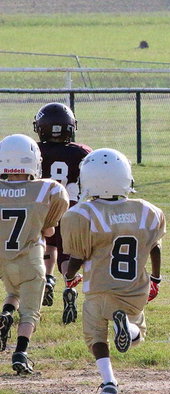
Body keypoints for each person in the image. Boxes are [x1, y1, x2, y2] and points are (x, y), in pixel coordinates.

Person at [61, 148, 165, 394]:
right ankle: (127, 326)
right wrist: (156, 278)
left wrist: (69, 276)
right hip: (134, 288)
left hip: (99, 288)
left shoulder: (81, 214)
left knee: (95, 336)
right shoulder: (147, 211)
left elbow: (77, 256)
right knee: (137, 335)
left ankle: (109, 382)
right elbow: (155, 247)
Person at [0, 134, 69, 374]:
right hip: (31, 257)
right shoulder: (48, 189)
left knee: (12, 292)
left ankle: (6, 313)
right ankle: (21, 352)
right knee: (30, 311)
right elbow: (49, 228)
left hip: (3, 258)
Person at [32, 102, 92, 310]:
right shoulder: (81, 151)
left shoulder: (35, 150)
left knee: (47, 243)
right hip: (71, 207)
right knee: (68, 251)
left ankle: (47, 278)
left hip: (41, 207)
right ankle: (69, 287)